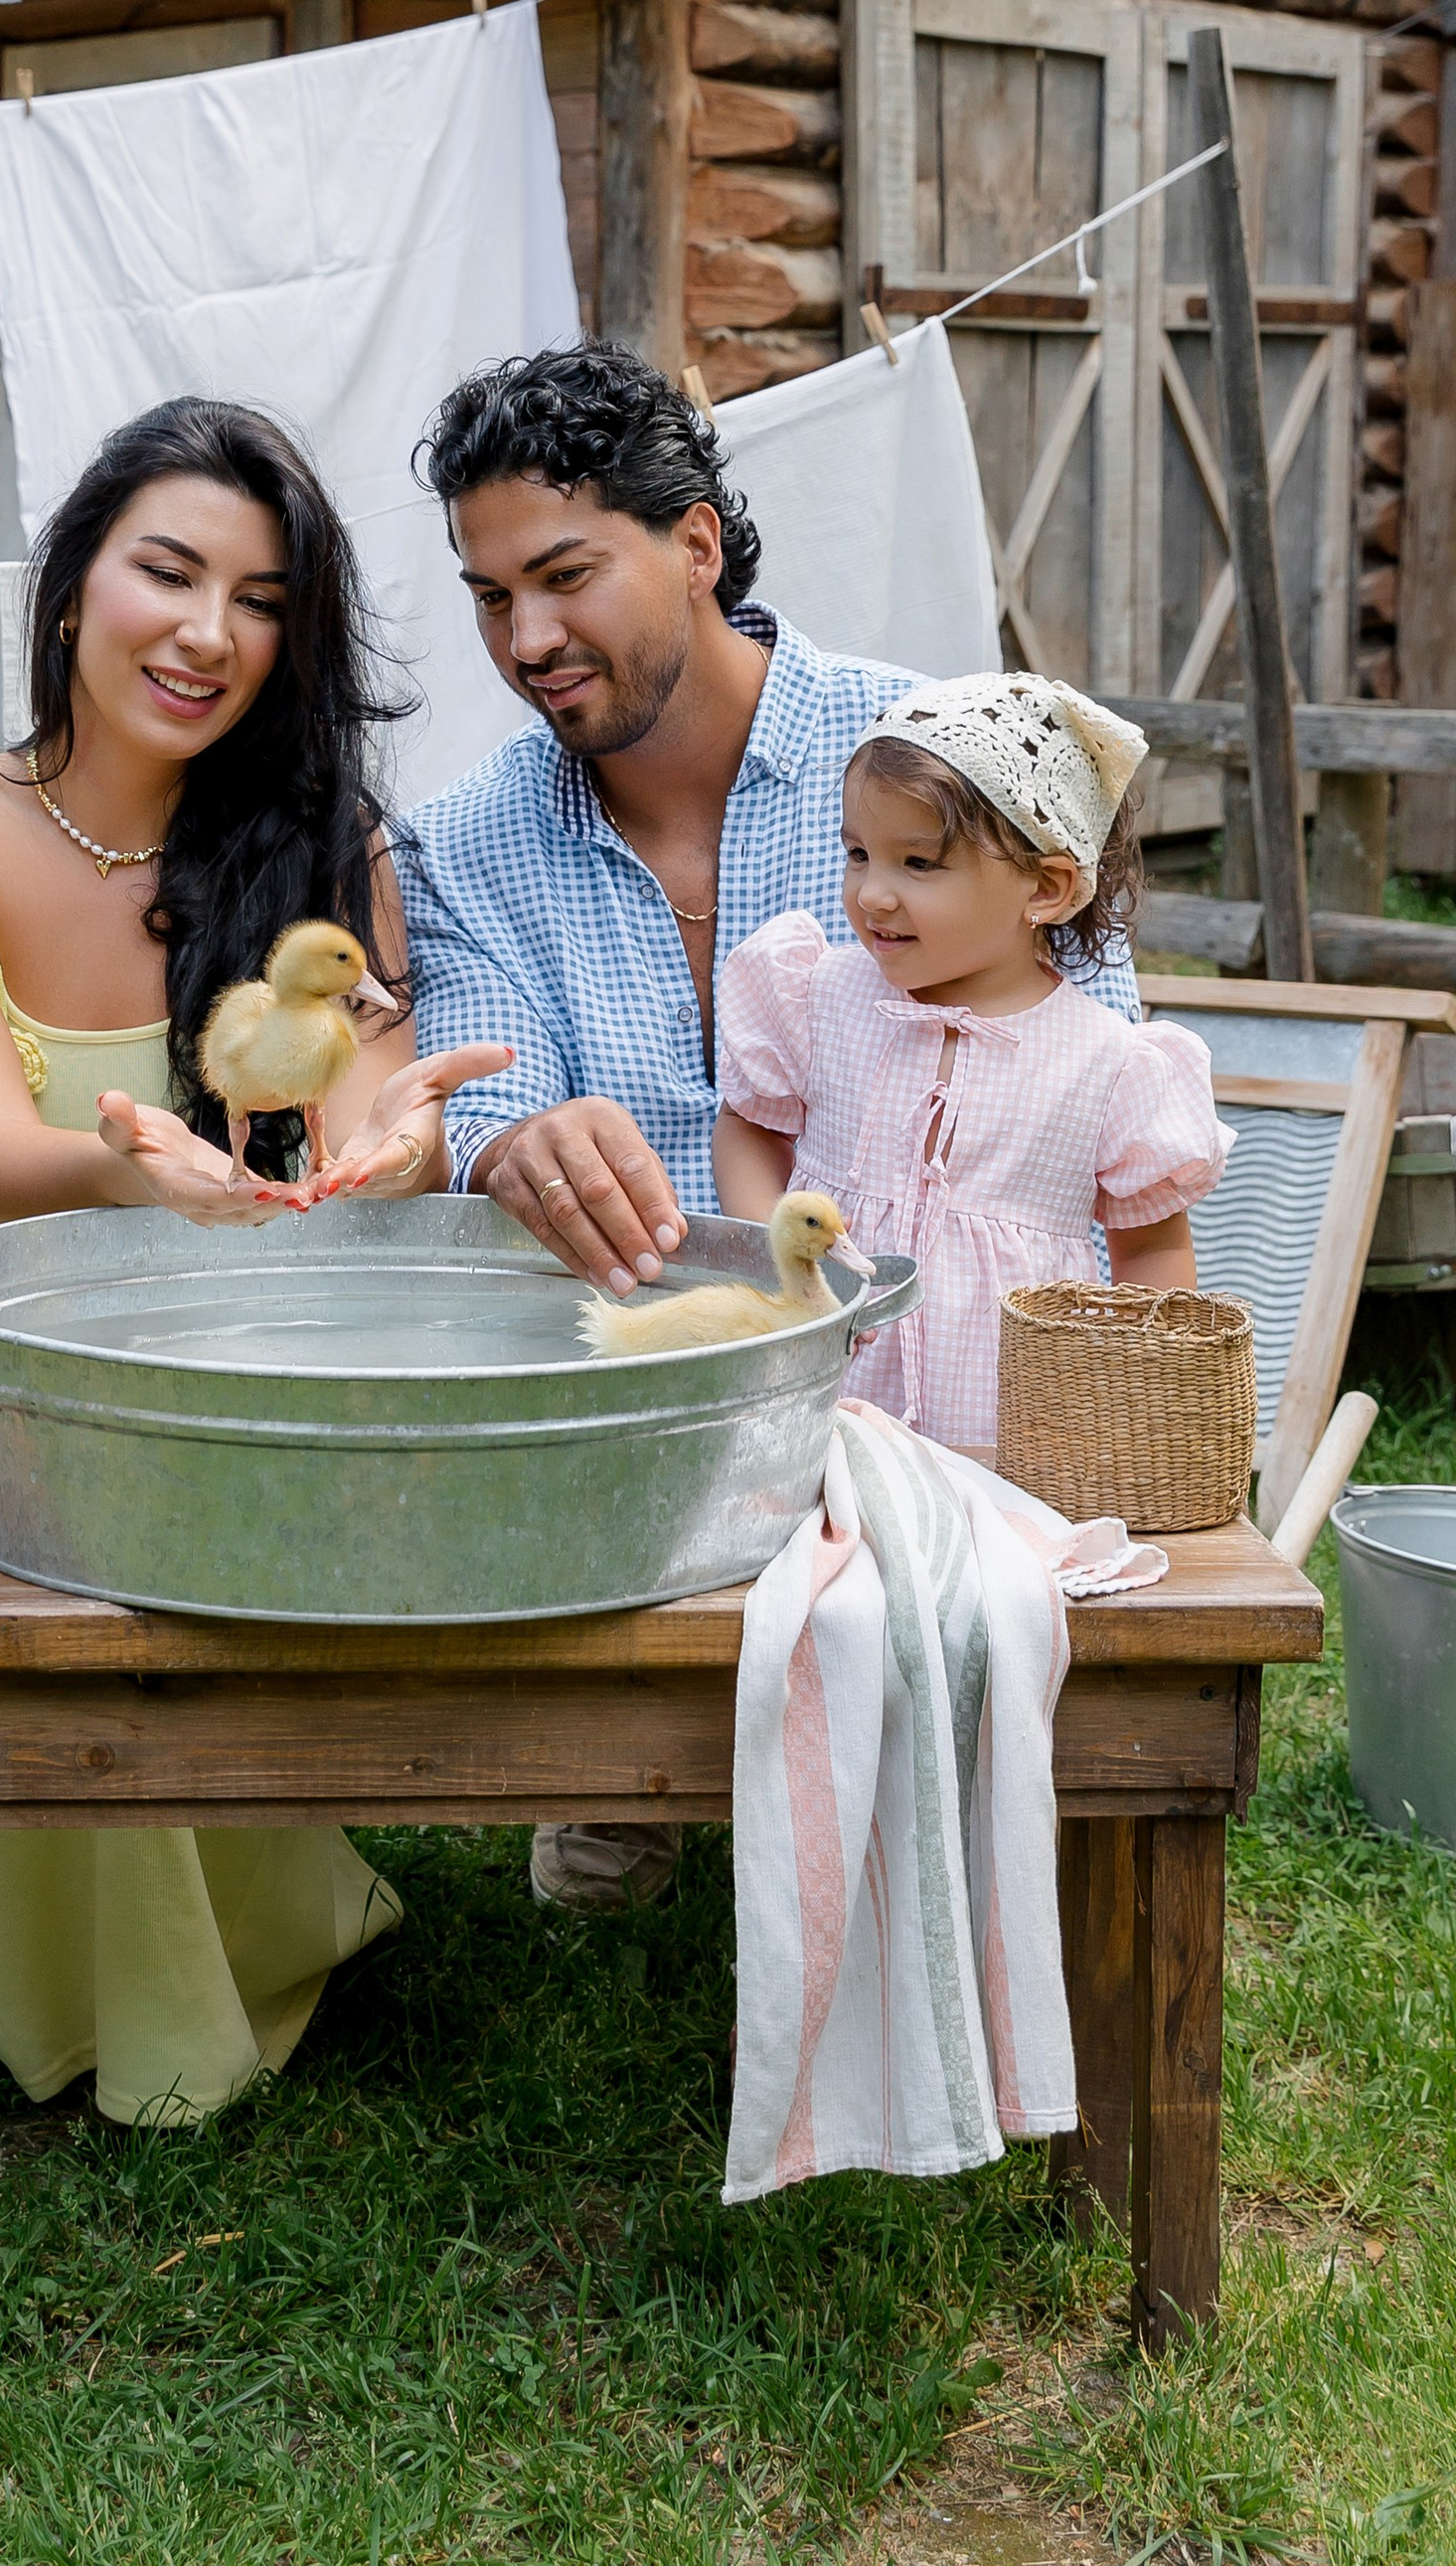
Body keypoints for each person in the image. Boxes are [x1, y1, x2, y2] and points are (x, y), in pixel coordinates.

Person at [395, 342, 1142, 1908]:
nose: (525, 638)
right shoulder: (462, 840)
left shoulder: (932, 752)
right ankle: (637, 1749)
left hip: (940, 1380)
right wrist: (516, 1140)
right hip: (649, 1411)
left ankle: (925, 1735)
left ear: (697, 543)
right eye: (487, 596)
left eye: (564, 575)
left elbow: (1100, 1048)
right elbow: (478, 1087)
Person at [0, 395, 507, 2124]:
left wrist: (394, 1139)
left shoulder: (309, 840)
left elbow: (361, 1071)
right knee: (82, 1579)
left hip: (209, 1380)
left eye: (264, 600)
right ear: (71, 587)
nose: (212, 634)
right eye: (171, 572)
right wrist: (145, 1170)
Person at [714, 673, 1228, 1454]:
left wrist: (1134, 1388)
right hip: (816, 1395)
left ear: (1047, 888)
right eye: (858, 854)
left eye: (918, 864)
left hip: (1015, 1413)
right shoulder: (818, 996)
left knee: (999, 1569)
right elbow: (750, 1129)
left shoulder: (1110, 1063)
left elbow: (1152, 1247)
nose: (872, 894)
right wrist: (782, 1271)